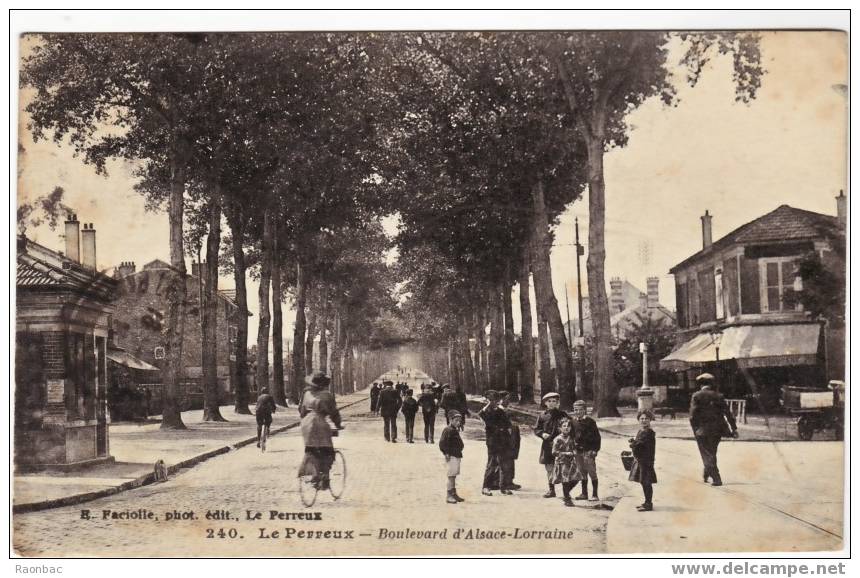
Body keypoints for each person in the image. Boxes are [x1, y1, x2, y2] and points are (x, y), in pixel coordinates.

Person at [689, 373, 738, 486]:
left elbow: (692, 416)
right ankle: (707, 473)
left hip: (702, 430)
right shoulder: (719, 396)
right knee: (712, 452)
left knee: (707, 454)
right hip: (717, 430)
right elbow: (728, 414)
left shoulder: (696, 396)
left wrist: (695, 429)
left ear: (700, 384)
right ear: (711, 384)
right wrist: (734, 428)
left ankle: (716, 478)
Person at [298, 372, 343, 490]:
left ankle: (314, 473)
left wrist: (305, 421)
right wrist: (338, 424)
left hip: (306, 424)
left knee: (311, 449)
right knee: (327, 450)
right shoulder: (327, 395)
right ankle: (325, 477)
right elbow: (334, 412)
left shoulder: (306, 394)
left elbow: (301, 411)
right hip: (320, 423)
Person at [478, 390, 514, 496]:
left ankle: (503, 486)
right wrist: (488, 405)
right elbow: (480, 414)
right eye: (491, 400)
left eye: (495, 400)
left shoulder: (501, 411)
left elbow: (508, 426)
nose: (494, 402)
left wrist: (508, 437)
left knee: (504, 464)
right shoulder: (486, 413)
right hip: (493, 442)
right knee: (492, 464)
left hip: (503, 441)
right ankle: (485, 487)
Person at [534, 392, 569, 498]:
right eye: (549, 401)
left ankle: (566, 492)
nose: (552, 403)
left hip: (560, 446)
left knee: (563, 468)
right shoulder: (542, 415)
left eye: (554, 401)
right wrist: (541, 433)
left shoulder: (562, 414)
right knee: (549, 468)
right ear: (545, 403)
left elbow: (569, 426)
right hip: (547, 446)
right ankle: (551, 490)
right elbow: (536, 429)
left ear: (557, 403)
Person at [571, 400, 601, 501]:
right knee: (582, 472)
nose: (578, 412)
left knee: (592, 472)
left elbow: (597, 438)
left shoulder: (590, 422)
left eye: (580, 410)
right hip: (577, 451)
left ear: (585, 410)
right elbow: (571, 436)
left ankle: (595, 494)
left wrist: (595, 450)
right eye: (576, 410)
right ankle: (584, 493)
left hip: (588, 451)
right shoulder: (573, 422)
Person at [629, 409, 657, 512]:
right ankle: (646, 502)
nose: (644, 420)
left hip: (646, 461)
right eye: (641, 418)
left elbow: (640, 445)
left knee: (646, 482)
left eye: (646, 419)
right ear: (638, 420)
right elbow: (638, 443)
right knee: (643, 481)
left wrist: (633, 444)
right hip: (641, 460)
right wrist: (634, 442)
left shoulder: (648, 432)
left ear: (650, 420)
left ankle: (649, 503)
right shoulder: (641, 431)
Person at [551, 419, 581, 507]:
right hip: (562, 462)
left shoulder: (571, 438)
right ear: (560, 428)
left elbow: (574, 447)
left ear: (571, 428)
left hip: (571, 462)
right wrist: (565, 453)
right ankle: (567, 499)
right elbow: (554, 452)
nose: (566, 428)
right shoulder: (557, 439)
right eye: (564, 426)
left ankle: (566, 493)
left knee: (577, 478)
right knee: (565, 480)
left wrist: (575, 451)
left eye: (568, 426)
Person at [439, 411, 465, 504]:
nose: (458, 422)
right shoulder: (448, 430)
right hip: (451, 456)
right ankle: (449, 495)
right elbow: (442, 443)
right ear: (451, 420)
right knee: (451, 476)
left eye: (460, 421)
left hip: (457, 455)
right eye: (456, 420)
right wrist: (446, 453)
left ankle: (453, 493)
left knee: (453, 476)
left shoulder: (454, 430)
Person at [499, 393, 522, 490]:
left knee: (510, 460)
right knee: (505, 462)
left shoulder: (505, 410)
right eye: (506, 399)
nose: (508, 401)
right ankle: (504, 483)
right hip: (505, 440)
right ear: (500, 399)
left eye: (508, 399)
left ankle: (509, 481)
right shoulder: (499, 411)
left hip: (512, 438)